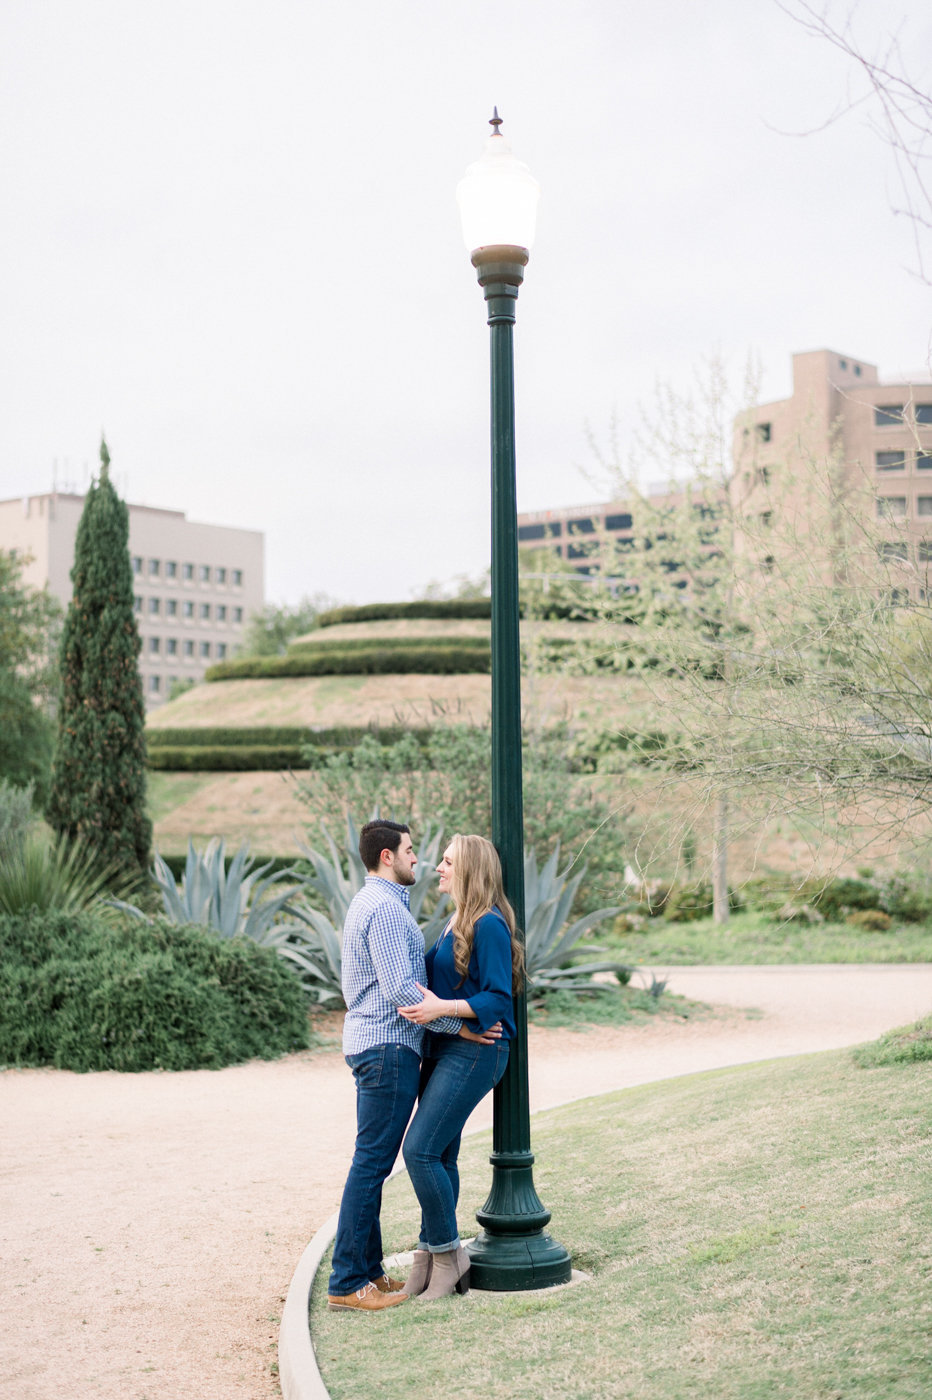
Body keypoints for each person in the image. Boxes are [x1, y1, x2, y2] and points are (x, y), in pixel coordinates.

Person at [326, 819, 491, 1313]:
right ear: (386, 857)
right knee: (372, 1163)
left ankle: (369, 1272)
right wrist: (459, 1026)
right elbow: (403, 992)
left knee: (371, 1161)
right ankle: (347, 1280)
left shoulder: (372, 903)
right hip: (388, 1050)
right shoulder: (386, 911)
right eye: (411, 851)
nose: (417, 859)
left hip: (375, 1046)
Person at [398, 833, 524, 1302]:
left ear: (469, 869)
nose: (438, 868)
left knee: (420, 1152)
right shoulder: (456, 920)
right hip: (447, 1048)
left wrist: (443, 1010)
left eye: (448, 862)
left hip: (477, 1053)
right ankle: (428, 1258)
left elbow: (496, 997)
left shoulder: (489, 924)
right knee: (440, 1157)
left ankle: (448, 1258)